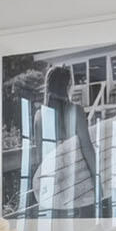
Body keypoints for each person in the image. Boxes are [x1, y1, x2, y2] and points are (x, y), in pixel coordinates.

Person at [30, 64, 103, 216]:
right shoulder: (75, 111)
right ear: (67, 86)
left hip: (53, 184)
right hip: (77, 180)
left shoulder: (39, 116)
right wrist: (98, 179)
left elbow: (39, 158)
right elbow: (87, 149)